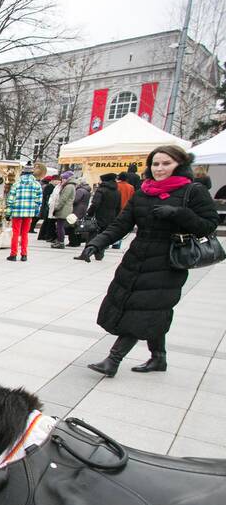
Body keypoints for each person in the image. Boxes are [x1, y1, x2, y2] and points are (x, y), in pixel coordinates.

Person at [77, 145, 218, 376]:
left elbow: (209, 224)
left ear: (179, 165)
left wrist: (178, 214)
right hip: (138, 255)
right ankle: (158, 358)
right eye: (155, 164)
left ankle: (113, 360)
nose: (160, 168)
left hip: (169, 259)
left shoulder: (193, 191)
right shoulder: (143, 191)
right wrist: (96, 243)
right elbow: (121, 224)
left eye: (166, 163)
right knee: (151, 309)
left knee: (143, 310)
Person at [5, 162, 42, 262]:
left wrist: (8, 213)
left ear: (23, 173)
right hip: (29, 212)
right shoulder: (37, 185)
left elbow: (10, 200)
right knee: (25, 233)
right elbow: (39, 201)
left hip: (17, 212)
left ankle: (13, 254)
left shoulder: (17, 184)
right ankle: (24, 254)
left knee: (16, 233)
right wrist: (36, 212)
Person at [85, 172, 121, 246]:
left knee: (93, 234)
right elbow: (118, 206)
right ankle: (100, 254)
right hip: (111, 216)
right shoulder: (117, 192)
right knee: (104, 235)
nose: (99, 181)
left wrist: (89, 213)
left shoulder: (101, 190)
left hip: (99, 216)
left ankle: (86, 253)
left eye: (100, 180)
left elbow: (95, 204)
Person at [51, 171, 76, 249]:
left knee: (60, 226)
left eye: (63, 178)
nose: (62, 180)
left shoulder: (68, 187)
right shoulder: (71, 186)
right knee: (60, 226)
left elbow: (63, 199)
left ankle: (61, 242)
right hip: (66, 208)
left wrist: (57, 208)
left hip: (64, 209)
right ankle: (59, 241)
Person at [69, 176, 92, 247]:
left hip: (77, 210)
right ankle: (78, 241)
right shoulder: (87, 190)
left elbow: (75, 200)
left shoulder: (80, 190)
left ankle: (73, 242)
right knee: (78, 226)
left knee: (73, 226)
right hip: (83, 209)